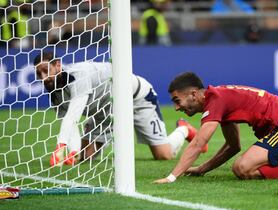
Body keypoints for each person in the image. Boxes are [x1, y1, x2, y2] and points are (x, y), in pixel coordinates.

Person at [154, 72, 278, 183]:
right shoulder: (220, 101)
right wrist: (202, 169)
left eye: (177, 100)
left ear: (194, 94)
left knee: (243, 168)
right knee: (267, 163)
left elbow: (198, 144)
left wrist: (172, 177)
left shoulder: (216, 101)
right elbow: (233, 146)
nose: (176, 107)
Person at [34, 53, 207, 166]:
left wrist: (60, 147)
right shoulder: (54, 94)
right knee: (85, 157)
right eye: (38, 74)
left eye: (45, 70)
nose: (43, 77)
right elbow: (70, 125)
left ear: (57, 65)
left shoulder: (78, 76)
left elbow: (73, 117)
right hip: (106, 110)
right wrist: (72, 151)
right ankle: (82, 150)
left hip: (137, 98)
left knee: (164, 154)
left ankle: (184, 129)